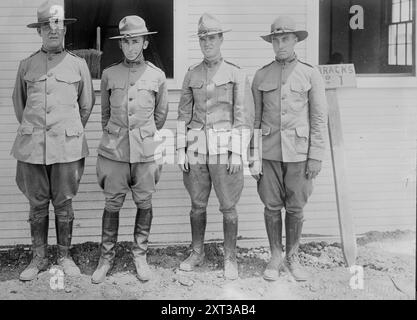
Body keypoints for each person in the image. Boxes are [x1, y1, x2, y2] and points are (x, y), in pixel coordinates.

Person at [11, 0, 95, 281]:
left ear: (64, 29)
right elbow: (20, 106)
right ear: (40, 31)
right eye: (47, 25)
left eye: (57, 24)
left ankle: (65, 256)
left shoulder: (78, 65)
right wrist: (39, 132)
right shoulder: (26, 66)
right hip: (33, 147)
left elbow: (86, 106)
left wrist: (67, 132)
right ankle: (38, 257)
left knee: (64, 203)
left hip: (67, 147)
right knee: (36, 204)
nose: (52, 30)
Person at [91, 15, 168, 284]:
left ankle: (140, 255)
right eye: (126, 42)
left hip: (146, 153)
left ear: (145, 43)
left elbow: (160, 117)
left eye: (136, 41)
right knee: (112, 203)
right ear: (120, 45)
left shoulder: (157, 76)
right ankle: (106, 258)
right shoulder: (109, 74)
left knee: (144, 202)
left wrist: (143, 137)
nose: (131, 47)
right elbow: (105, 116)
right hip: (115, 152)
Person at [250, 16, 328, 281]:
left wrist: (315, 155)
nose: (280, 44)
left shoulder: (310, 73)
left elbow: (318, 119)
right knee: (271, 206)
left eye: (285, 38)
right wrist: (253, 156)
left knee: (295, 207)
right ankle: (275, 257)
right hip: (269, 153)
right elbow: (256, 120)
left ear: (296, 40)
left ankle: (292, 259)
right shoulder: (261, 75)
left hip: (299, 153)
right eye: (276, 39)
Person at [177, 13, 254, 280]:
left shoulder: (235, 73)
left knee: (228, 206)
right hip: (196, 146)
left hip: (225, 149)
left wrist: (237, 152)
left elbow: (243, 116)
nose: (207, 43)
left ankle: (229, 258)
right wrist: (180, 148)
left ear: (221, 39)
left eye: (211, 38)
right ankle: (197, 253)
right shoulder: (191, 74)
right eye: (202, 39)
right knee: (197, 205)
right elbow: (183, 115)